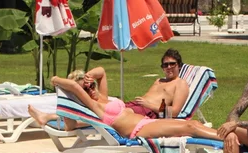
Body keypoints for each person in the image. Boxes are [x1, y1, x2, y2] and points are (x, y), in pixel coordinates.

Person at [34, 66, 219, 141]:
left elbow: (102, 71)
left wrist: (88, 76)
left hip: (146, 122)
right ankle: (225, 138)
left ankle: (227, 136)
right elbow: (73, 86)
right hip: (138, 129)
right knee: (190, 127)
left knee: (193, 124)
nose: (90, 89)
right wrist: (55, 79)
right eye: (86, 89)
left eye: (91, 85)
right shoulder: (95, 105)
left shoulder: (103, 98)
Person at [28, 48, 191, 130]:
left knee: (99, 115)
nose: (168, 67)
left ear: (179, 65)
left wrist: (150, 106)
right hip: (133, 107)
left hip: (145, 114)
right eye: (165, 64)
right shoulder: (159, 80)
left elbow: (174, 113)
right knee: (96, 110)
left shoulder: (180, 84)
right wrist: (88, 77)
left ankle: (51, 118)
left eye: (172, 64)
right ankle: (51, 117)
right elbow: (101, 71)